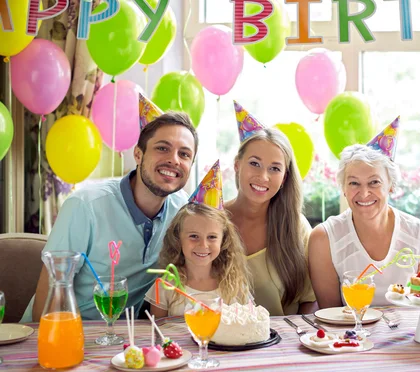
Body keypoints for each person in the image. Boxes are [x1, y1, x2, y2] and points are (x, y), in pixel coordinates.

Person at [25, 98, 198, 322]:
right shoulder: (84, 206)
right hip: (67, 331)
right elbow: (48, 304)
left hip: (125, 339)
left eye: (184, 154)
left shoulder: (182, 210)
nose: (173, 160)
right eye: (162, 148)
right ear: (138, 154)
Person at [308, 117, 420, 308]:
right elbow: (332, 316)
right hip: (350, 336)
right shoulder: (324, 239)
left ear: (391, 186)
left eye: (374, 182)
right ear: (343, 188)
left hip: (408, 336)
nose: (364, 193)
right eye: (354, 183)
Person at [223, 101, 317, 316]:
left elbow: (310, 300)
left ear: (284, 178)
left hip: (284, 344)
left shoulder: (296, 227)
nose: (263, 177)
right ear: (237, 165)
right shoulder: (212, 221)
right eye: (254, 163)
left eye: (274, 168)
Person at [144, 161, 251, 317]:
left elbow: (247, 325)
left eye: (212, 237)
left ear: (224, 240)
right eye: (194, 236)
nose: (203, 245)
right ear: (178, 238)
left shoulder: (235, 285)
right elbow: (157, 331)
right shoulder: (166, 286)